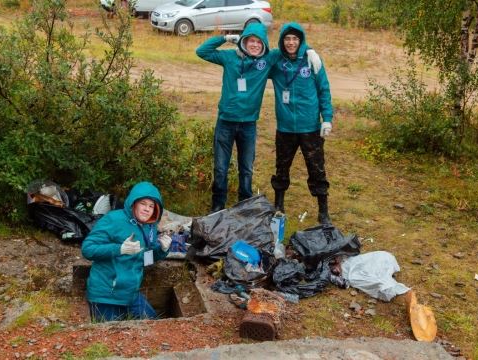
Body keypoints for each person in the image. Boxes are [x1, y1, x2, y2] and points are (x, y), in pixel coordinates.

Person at [196, 24, 322, 213]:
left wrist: (309, 49)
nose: (254, 45)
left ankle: (244, 203)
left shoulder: (268, 59)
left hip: (248, 124)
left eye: (258, 41)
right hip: (226, 122)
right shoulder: (229, 57)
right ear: (244, 41)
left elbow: (290, 45)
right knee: (221, 167)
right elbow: (202, 51)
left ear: (263, 43)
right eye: (250, 40)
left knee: (246, 168)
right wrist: (225, 38)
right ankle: (218, 204)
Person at [269, 22, 333, 224]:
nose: (291, 42)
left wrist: (327, 119)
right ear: (282, 41)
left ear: (301, 40)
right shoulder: (276, 61)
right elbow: (258, 56)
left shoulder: (312, 60)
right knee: (282, 167)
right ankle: (279, 205)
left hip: (310, 127)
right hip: (285, 127)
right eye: (287, 39)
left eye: (295, 39)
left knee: (317, 169)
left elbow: (324, 89)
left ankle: (323, 212)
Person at [81, 181, 173, 322]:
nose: (147, 209)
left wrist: (162, 250)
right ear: (133, 203)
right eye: (143, 203)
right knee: (110, 337)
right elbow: (88, 249)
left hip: (130, 293)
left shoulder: (150, 227)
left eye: (151, 206)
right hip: (106, 295)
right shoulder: (113, 219)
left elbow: (146, 259)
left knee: (153, 325)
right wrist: (119, 249)